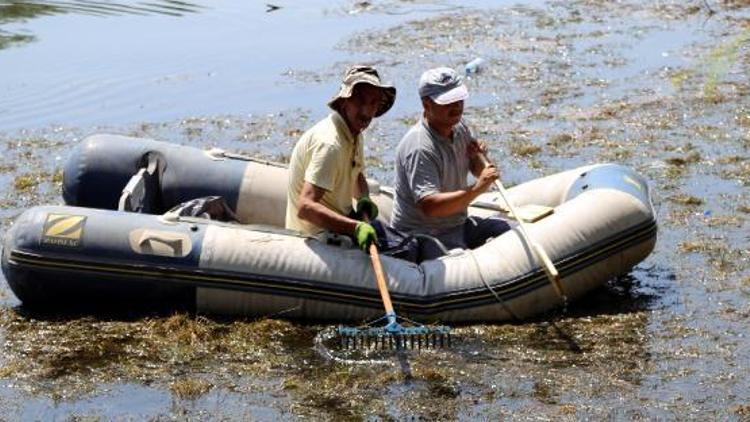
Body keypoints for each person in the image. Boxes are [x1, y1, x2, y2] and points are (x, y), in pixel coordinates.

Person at [390, 67, 511, 261]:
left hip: (457, 223)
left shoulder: (459, 127)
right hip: (426, 233)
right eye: (447, 102)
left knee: (506, 231)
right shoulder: (420, 147)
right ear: (426, 105)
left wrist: (480, 161)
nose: (456, 107)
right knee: (460, 263)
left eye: (459, 99)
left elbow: (477, 169)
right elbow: (430, 206)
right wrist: (477, 189)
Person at [285, 65, 396, 252]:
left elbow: (356, 173)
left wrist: (363, 198)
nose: (367, 111)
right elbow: (306, 207)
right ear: (345, 101)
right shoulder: (330, 144)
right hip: (317, 237)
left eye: (373, 102)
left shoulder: (354, 132)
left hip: (341, 224)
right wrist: (356, 227)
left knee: (406, 245)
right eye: (360, 101)